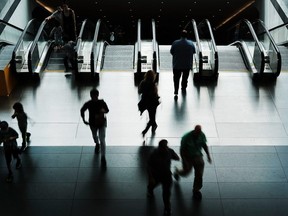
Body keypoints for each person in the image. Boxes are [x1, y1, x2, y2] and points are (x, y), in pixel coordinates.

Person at [173, 125, 212, 200]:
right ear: (194, 130)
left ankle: (196, 189)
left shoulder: (202, 135)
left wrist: (208, 155)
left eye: (200, 132)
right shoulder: (186, 137)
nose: (198, 134)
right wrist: (184, 161)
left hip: (197, 155)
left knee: (199, 173)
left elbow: (204, 145)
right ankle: (177, 171)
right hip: (187, 156)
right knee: (186, 171)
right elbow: (182, 150)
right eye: (197, 132)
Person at [147, 139, 180, 216]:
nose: (166, 148)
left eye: (167, 146)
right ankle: (150, 190)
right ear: (160, 147)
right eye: (164, 147)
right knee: (152, 185)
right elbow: (149, 166)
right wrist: (151, 177)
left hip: (167, 176)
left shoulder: (169, 151)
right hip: (156, 175)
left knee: (166, 194)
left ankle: (167, 208)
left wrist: (176, 157)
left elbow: (176, 157)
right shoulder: (154, 154)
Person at [80, 89, 109, 163]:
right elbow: (82, 110)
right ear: (91, 96)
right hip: (96, 122)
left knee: (102, 139)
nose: (95, 97)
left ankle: (103, 156)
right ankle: (97, 143)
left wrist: (84, 120)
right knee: (95, 136)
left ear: (97, 95)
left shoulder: (98, 103)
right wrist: (83, 119)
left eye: (95, 96)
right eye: (93, 96)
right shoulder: (91, 103)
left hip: (98, 123)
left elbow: (107, 110)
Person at [170, 30, 196, 99]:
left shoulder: (175, 43)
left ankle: (176, 90)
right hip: (187, 65)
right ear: (187, 36)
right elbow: (194, 52)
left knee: (176, 78)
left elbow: (172, 52)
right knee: (185, 78)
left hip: (177, 64)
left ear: (180, 35)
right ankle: (183, 88)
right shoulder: (191, 43)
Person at [138, 70, 160, 137]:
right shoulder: (153, 84)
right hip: (153, 103)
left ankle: (154, 126)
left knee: (152, 117)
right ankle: (146, 130)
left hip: (145, 102)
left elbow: (139, 91)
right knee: (152, 118)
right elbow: (155, 93)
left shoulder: (142, 82)